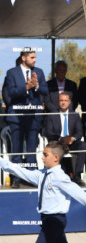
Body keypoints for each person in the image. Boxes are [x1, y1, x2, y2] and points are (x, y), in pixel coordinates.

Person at [0, 141, 86, 243]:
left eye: (45, 155)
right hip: (49, 220)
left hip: (55, 221)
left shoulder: (60, 177)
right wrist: (2, 162)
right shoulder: (42, 174)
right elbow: (22, 172)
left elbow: (78, 192)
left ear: (56, 157)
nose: (42, 157)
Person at [5, 48, 48, 188]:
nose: (35, 60)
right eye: (32, 57)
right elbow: (11, 92)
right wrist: (26, 87)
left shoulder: (39, 72)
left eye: (35, 57)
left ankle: (32, 176)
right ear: (23, 58)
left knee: (31, 149)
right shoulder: (12, 72)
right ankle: (16, 178)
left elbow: (46, 90)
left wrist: (36, 87)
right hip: (17, 117)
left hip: (34, 116)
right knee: (16, 149)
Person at [45, 92, 86, 186]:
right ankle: (56, 176)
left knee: (83, 145)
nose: (63, 102)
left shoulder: (75, 115)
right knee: (55, 149)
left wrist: (73, 138)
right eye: (61, 100)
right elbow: (48, 132)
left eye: (65, 100)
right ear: (58, 102)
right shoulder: (51, 114)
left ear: (69, 102)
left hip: (71, 143)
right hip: (57, 143)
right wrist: (61, 138)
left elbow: (79, 132)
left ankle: (77, 175)